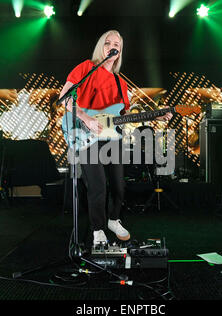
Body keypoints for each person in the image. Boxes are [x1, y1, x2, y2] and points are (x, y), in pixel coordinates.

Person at [58, 30, 172, 245]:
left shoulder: (121, 83)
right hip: (84, 134)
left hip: (112, 137)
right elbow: (64, 98)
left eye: (117, 44)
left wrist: (157, 114)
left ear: (120, 50)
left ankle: (113, 220)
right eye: (108, 42)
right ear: (101, 47)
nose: (113, 46)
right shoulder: (86, 68)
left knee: (119, 186)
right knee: (98, 185)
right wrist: (86, 118)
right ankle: (97, 229)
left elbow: (122, 115)